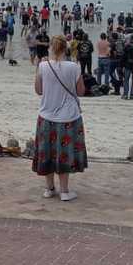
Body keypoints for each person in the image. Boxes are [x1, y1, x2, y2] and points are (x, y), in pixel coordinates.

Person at [33, 35, 86, 202]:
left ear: (51, 48)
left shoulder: (43, 65)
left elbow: (39, 90)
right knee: (65, 153)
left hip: (46, 115)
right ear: (66, 48)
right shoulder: (74, 67)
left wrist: (38, 70)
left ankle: (49, 188)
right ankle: (64, 191)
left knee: (47, 151)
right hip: (69, 117)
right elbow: (81, 91)